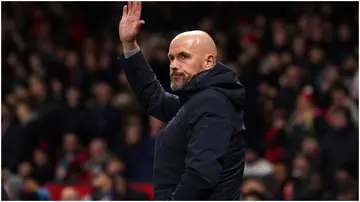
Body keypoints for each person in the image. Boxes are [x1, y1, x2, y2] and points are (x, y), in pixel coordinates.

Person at [118, 1, 246, 200]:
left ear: (208, 61)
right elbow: (155, 100)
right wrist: (130, 46)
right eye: (171, 58)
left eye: (183, 57)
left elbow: (201, 175)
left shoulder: (213, 103)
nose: (174, 65)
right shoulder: (200, 101)